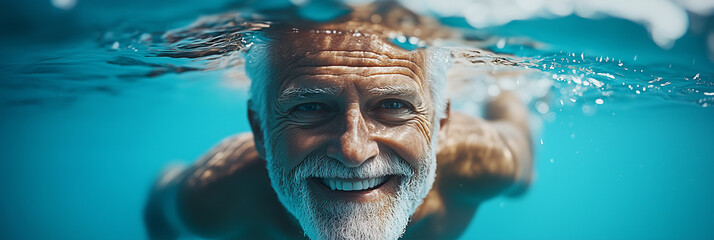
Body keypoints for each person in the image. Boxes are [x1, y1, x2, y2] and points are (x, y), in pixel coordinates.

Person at [144, 4, 532, 240]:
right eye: (311, 108)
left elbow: (518, 142)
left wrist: (508, 94)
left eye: (393, 104)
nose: (353, 150)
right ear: (260, 130)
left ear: (441, 124)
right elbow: (158, 209)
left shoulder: (484, 163)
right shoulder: (214, 198)